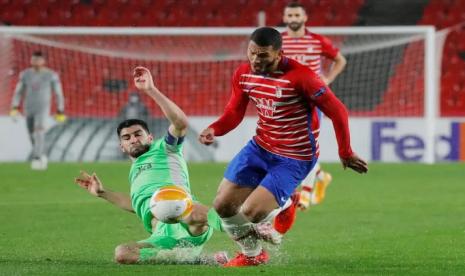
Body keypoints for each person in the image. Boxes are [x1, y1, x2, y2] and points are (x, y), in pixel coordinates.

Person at [198, 27, 367, 267]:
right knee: (223, 206)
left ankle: (285, 206)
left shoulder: (302, 77)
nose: (256, 60)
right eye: (252, 53)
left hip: (294, 156)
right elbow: (234, 111)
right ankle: (253, 254)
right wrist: (215, 128)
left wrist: (345, 152)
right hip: (259, 147)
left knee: (251, 213)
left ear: (279, 54)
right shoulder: (244, 73)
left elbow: (338, 110)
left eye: (263, 55)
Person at [74, 67, 225, 265]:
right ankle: (195, 259)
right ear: (122, 147)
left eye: (138, 134)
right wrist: (102, 193)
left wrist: (150, 90)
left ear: (150, 137)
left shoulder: (165, 148)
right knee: (123, 253)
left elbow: (180, 122)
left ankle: (247, 232)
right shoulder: (135, 174)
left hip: (187, 220)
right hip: (162, 237)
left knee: (195, 212)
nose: (133, 139)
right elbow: (137, 206)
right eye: (127, 138)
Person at [282, 1, 348, 209]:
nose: (293, 19)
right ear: (285, 19)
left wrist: (327, 80)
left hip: (312, 99)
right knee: (288, 146)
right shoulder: (278, 42)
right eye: (290, 16)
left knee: (307, 144)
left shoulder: (317, 41)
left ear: (304, 18)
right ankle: (320, 175)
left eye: (296, 16)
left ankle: (305, 194)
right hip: (285, 100)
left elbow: (340, 60)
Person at [9, 51, 66, 170]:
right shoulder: (25, 74)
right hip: (28, 108)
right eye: (33, 59)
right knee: (31, 134)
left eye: (37, 59)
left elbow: (58, 93)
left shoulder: (51, 75)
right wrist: (14, 106)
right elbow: (18, 91)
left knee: (39, 132)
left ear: (43, 61)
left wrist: (60, 109)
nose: (35, 62)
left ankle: (37, 158)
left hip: (43, 108)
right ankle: (42, 154)